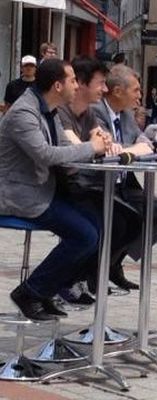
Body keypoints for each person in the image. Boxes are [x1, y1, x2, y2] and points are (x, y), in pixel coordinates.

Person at [0, 58, 109, 320]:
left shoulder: (48, 109)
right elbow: (46, 155)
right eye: (72, 80)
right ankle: (31, 291)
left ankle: (51, 287)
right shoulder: (24, 113)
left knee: (99, 222)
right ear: (58, 85)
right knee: (85, 235)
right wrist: (92, 148)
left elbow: (65, 149)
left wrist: (95, 145)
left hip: (43, 190)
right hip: (20, 195)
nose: (76, 85)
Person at [58, 55, 141, 297]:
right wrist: (99, 146)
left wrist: (102, 145)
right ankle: (59, 283)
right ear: (82, 84)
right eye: (100, 83)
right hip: (63, 188)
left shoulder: (88, 113)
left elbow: (105, 143)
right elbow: (80, 151)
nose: (104, 89)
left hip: (85, 184)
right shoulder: (60, 113)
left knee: (130, 220)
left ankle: (96, 272)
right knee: (100, 228)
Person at [90, 65, 157, 291]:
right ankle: (94, 269)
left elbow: (143, 144)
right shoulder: (96, 112)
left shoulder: (126, 114)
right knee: (130, 220)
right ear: (118, 91)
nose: (140, 95)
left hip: (124, 184)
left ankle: (112, 262)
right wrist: (138, 147)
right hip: (98, 184)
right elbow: (109, 149)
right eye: (137, 90)